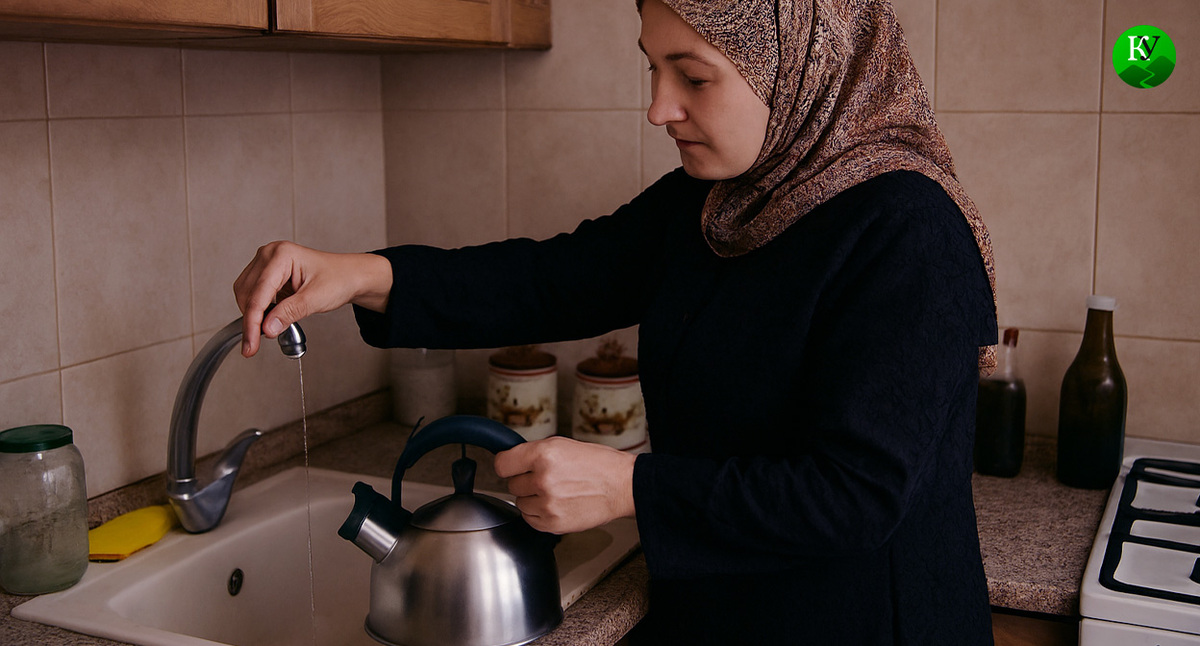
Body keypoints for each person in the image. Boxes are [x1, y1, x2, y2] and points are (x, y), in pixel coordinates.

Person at [234, 0, 999, 643]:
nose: (659, 108)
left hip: (863, 625)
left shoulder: (909, 231)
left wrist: (633, 485)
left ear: (801, 67)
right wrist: (363, 274)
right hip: (718, 609)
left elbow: (854, 495)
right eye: (655, 69)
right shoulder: (717, 201)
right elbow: (550, 279)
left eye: (694, 76)